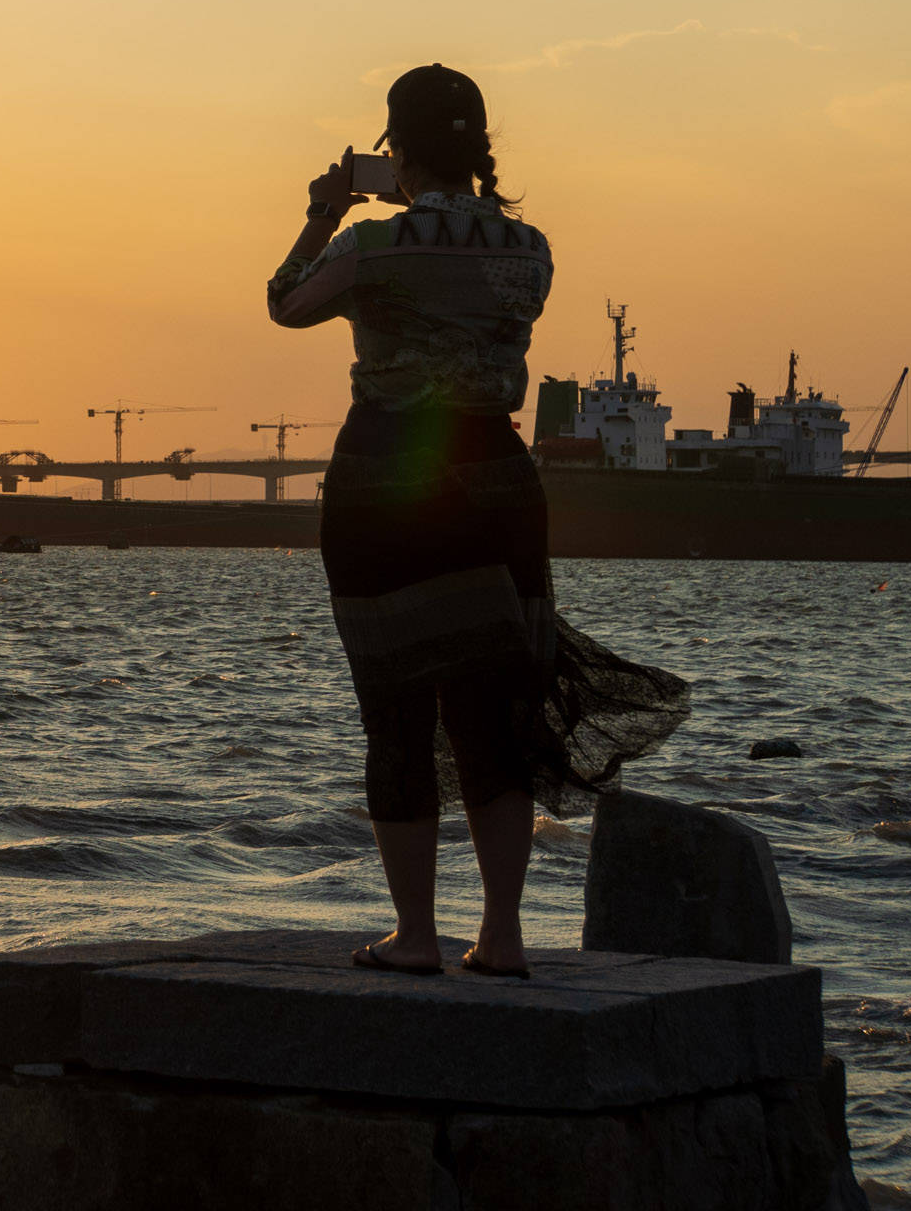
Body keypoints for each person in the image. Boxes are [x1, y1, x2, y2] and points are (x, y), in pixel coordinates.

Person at [267, 63, 685, 978]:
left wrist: (325, 211)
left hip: (387, 478)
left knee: (396, 706)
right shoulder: (531, 249)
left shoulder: (371, 245)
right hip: (497, 479)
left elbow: (284, 303)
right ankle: (501, 937)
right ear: (482, 146)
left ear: (398, 151)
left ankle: (414, 935)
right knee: (495, 713)